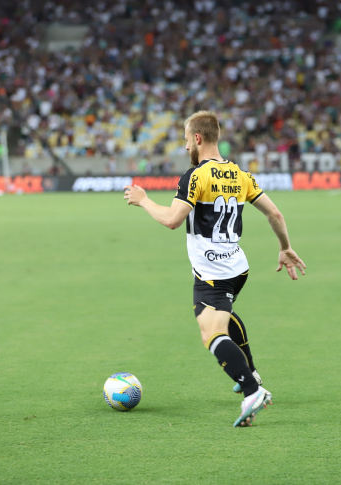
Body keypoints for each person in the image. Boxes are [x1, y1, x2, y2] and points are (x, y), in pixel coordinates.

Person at [124, 111, 306, 427]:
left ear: (197, 138)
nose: (184, 148)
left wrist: (143, 200)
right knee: (225, 314)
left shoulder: (195, 176)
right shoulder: (240, 175)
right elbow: (274, 214)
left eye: (185, 141)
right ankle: (249, 371)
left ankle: (252, 390)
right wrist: (285, 247)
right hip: (237, 267)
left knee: (211, 333)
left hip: (212, 273)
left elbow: (171, 219)